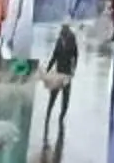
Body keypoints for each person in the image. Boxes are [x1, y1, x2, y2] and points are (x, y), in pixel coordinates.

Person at [37, 21, 78, 155]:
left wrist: (73, 70)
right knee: (53, 97)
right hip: (57, 73)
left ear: (68, 29)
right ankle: (48, 116)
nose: (63, 30)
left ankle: (61, 119)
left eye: (65, 28)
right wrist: (48, 70)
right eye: (62, 28)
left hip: (66, 74)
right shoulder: (59, 40)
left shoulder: (72, 39)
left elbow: (76, 55)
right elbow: (54, 56)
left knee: (65, 99)